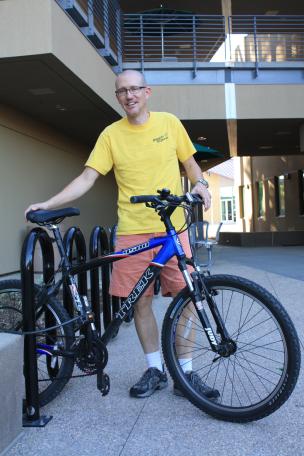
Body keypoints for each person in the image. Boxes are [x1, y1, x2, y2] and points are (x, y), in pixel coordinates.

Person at [25, 70, 219, 400]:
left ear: (147, 92)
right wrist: (48, 202)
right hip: (131, 231)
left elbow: (190, 164)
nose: (128, 95)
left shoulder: (169, 123)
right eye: (121, 91)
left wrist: (200, 184)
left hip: (171, 228)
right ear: (117, 97)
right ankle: (155, 368)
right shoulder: (111, 135)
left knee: (187, 299)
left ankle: (184, 374)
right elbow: (87, 178)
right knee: (140, 303)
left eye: (134, 89)